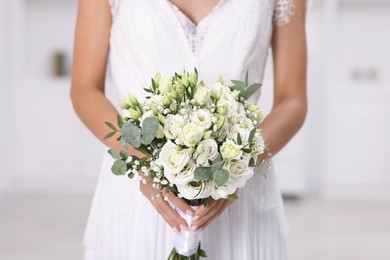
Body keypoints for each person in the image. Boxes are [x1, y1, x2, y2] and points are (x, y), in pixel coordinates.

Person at [70, 0, 308, 259]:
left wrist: (236, 164)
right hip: (138, 196)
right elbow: (85, 89)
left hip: (239, 196)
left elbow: (292, 100)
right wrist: (147, 163)